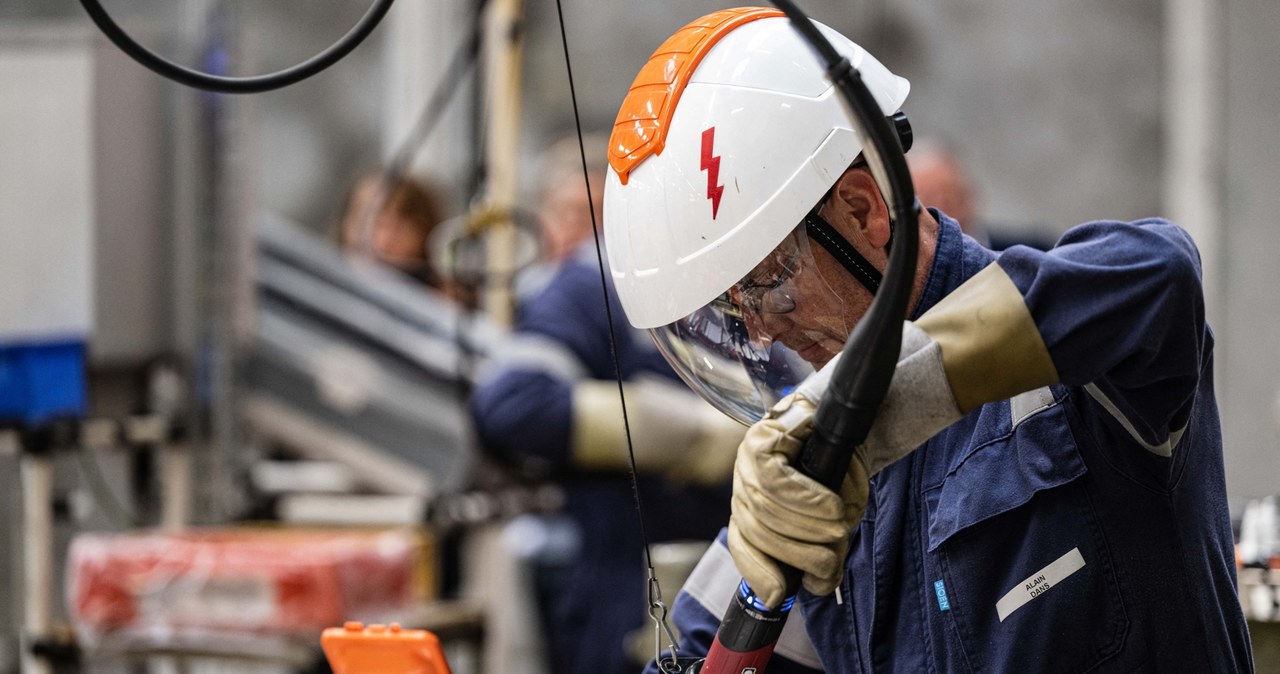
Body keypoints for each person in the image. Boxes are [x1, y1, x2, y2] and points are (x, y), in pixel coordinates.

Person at [598, 8, 1251, 672]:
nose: (762, 327)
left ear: (862, 210)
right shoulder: (807, 464)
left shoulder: (1063, 367)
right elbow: (705, 646)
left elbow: (1160, 275)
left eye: (766, 281)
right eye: (733, 309)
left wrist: (878, 408)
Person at [468, 137, 745, 674]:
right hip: (626, 587)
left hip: (716, 574)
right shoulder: (582, 288)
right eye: (572, 214)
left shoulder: (693, 288)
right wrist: (702, 435)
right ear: (544, 221)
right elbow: (512, 403)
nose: (590, 235)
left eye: (599, 216)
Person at [909, 137, 1055, 251]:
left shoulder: (1033, 251)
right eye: (930, 198)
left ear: (969, 192)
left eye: (950, 194)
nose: (944, 208)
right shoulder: (911, 284)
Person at [336, 171, 449, 290]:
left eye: (399, 228)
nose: (382, 241)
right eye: (365, 221)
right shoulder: (325, 289)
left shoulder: (438, 299)